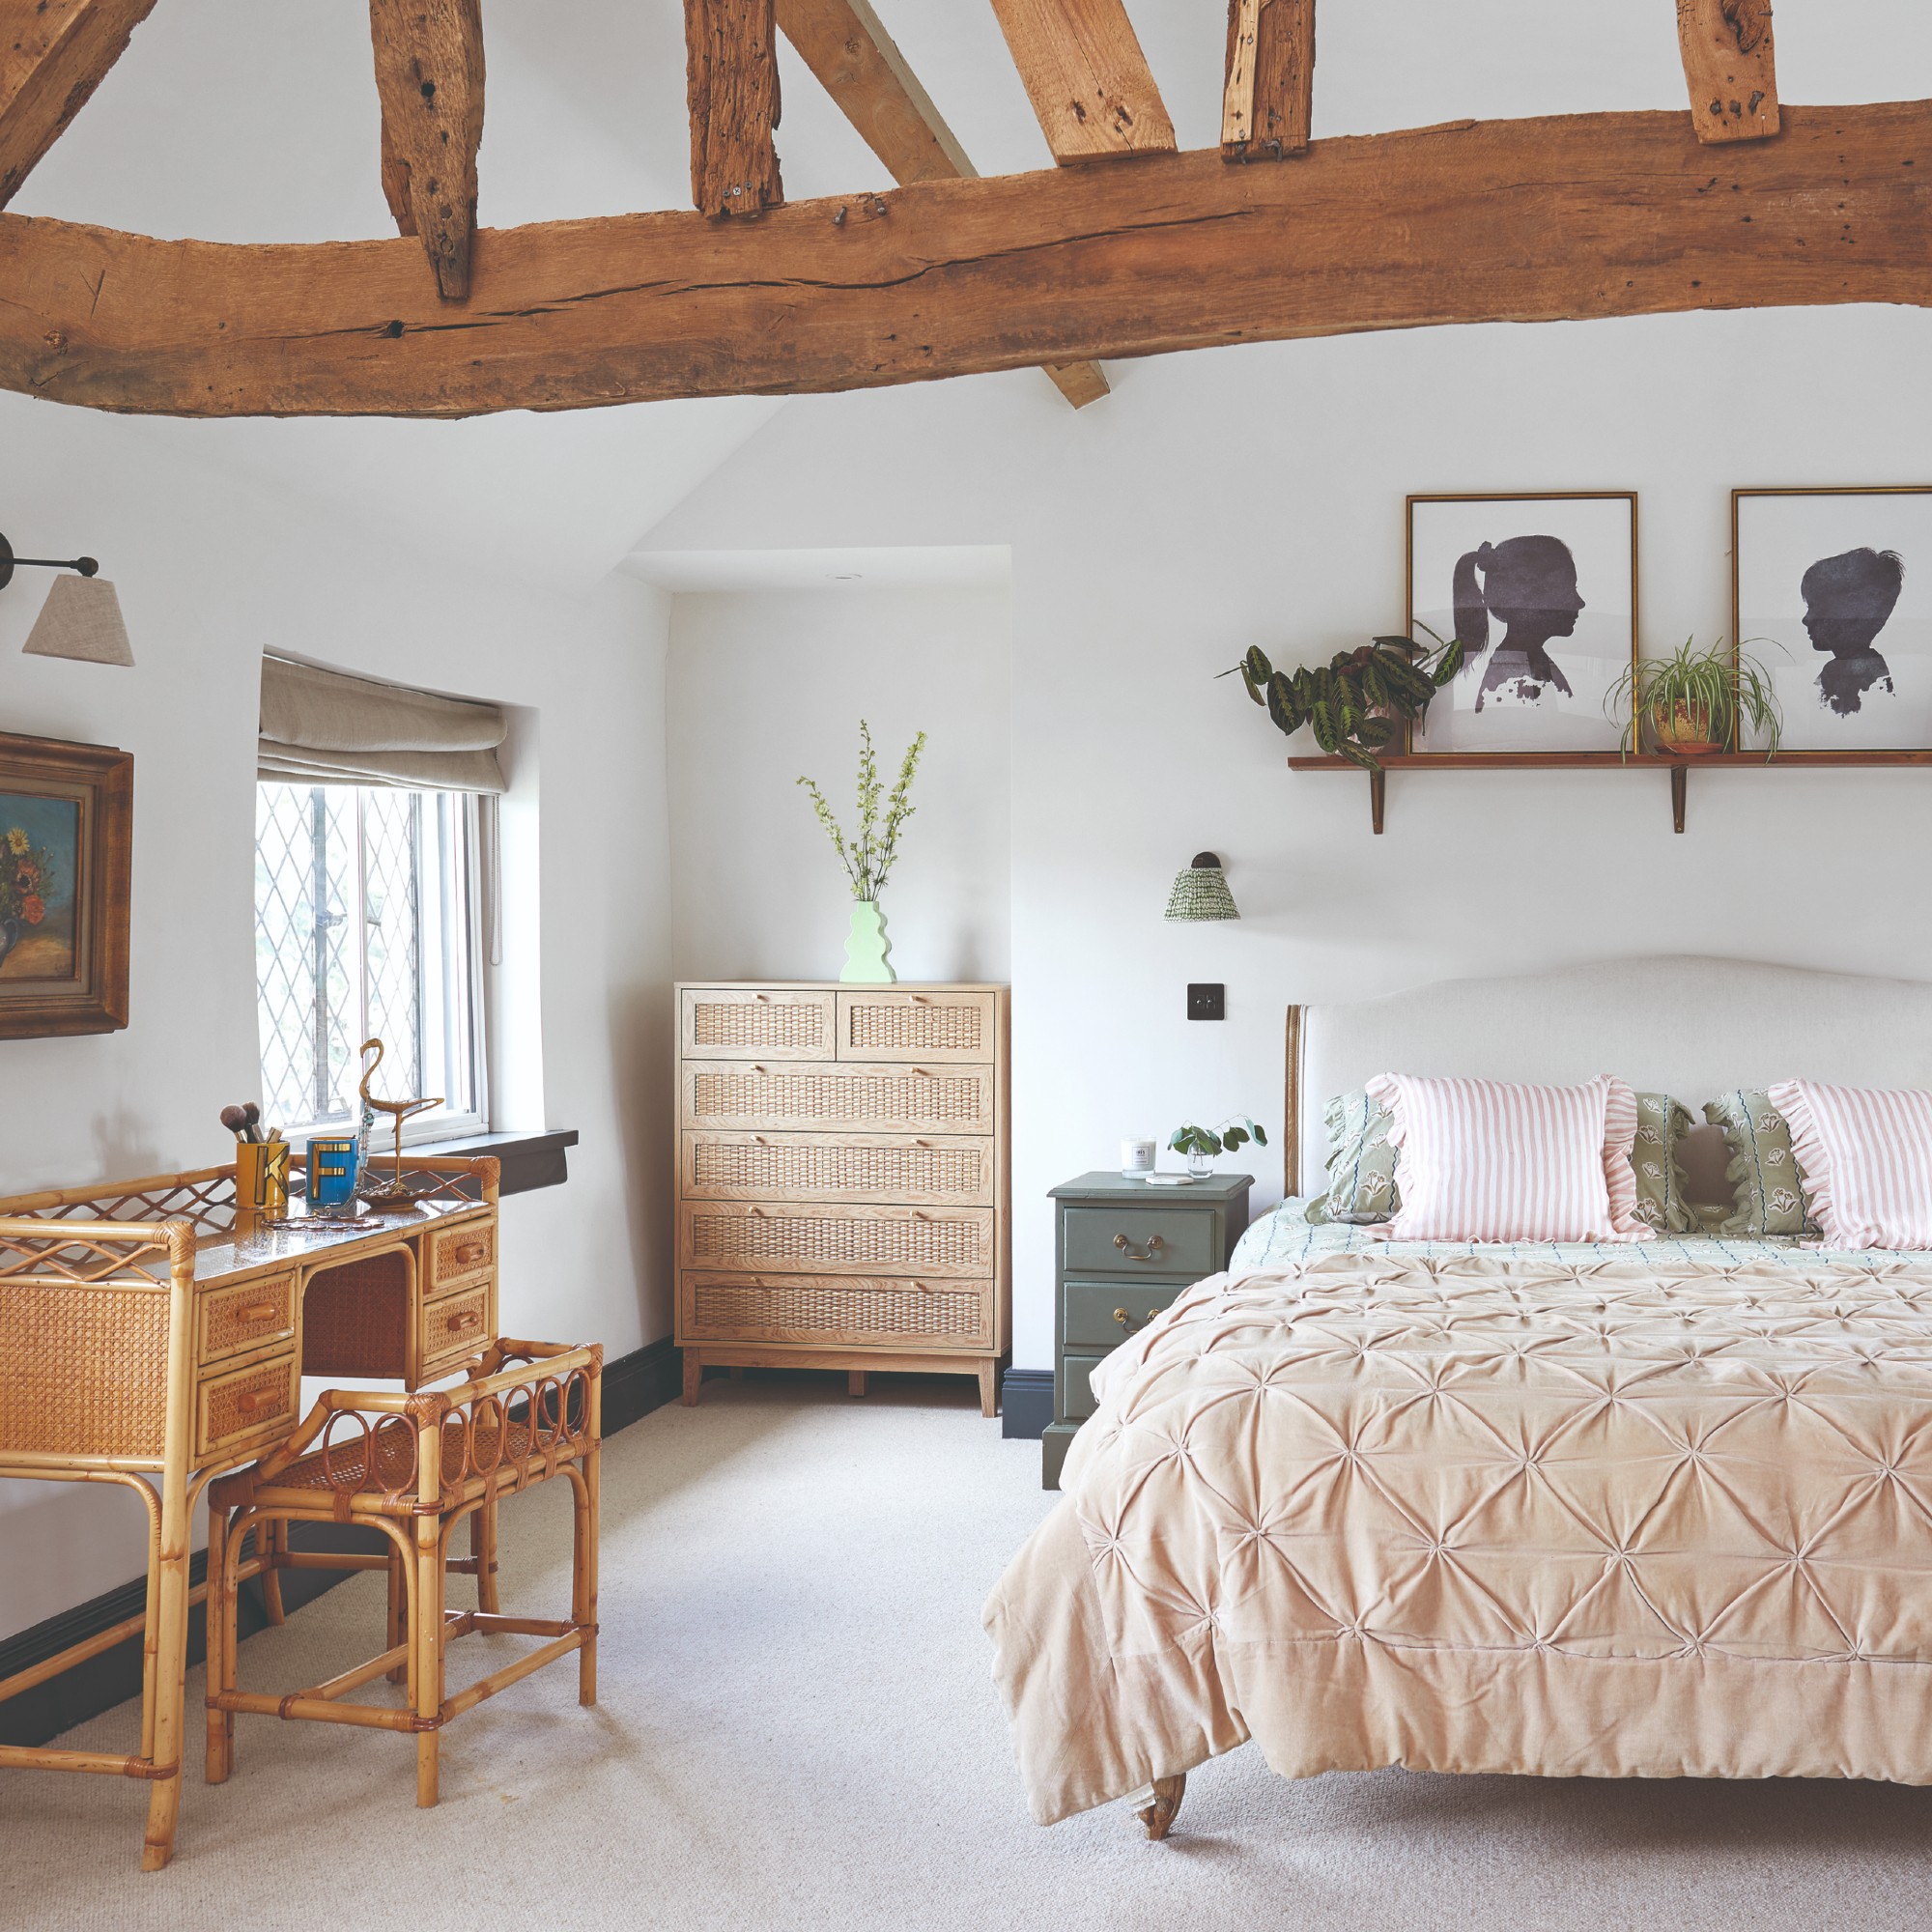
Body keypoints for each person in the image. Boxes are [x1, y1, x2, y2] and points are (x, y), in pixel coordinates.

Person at [1452, 535, 1585, 711]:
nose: (1580, 602)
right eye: (1567, 589)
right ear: (1532, 599)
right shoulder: (1516, 676)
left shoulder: (1529, 661)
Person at [1800, 546, 1902, 717]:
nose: (1806, 619)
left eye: (1814, 606)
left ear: (1849, 612)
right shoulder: (1836, 671)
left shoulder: (1863, 678)